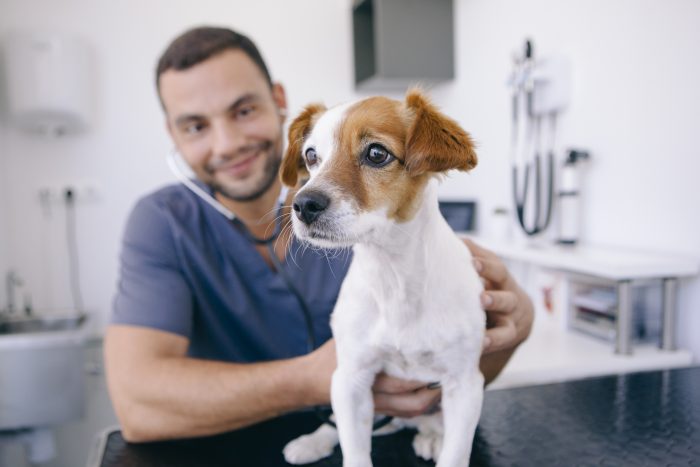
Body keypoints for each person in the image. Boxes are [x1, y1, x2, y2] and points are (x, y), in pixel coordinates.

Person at [104, 26, 534, 443]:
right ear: (173, 134)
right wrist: (319, 376)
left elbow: (449, 379)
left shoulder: (396, 223)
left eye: (243, 110)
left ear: (278, 101)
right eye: (195, 126)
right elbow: (138, 410)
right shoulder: (162, 223)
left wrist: (515, 324)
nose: (227, 143)